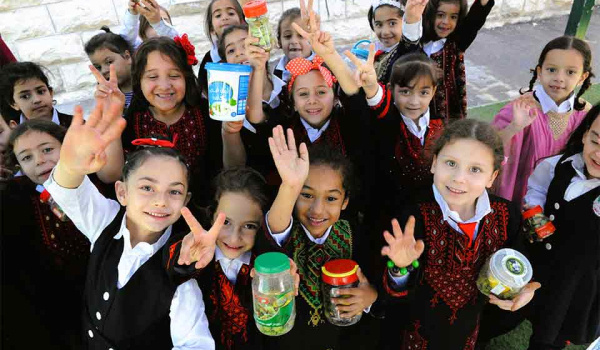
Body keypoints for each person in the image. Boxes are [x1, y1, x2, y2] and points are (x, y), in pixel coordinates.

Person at [43, 67, 222, 349]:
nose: (160, 200)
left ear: (186, 200)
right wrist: (70, 164)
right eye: (147, 187)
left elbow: (195, 343)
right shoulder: (105, 222)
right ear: (122, 192)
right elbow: (69, 191)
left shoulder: (181, 269)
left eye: (174, 191)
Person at [381, 119, 540, 350]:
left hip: (468, 333)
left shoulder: (506, 215)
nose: (459, 178)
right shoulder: (409, 215)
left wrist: (521, 292)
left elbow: (515, 266)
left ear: (492, 178)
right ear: (435, 163)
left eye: (475, 169)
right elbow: (391, 293)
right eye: (451, 163)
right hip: (409, 335)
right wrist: (399, 268)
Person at [479, 104, 600, 350]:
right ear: (586, 134)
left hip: (572, 284)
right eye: (596, 141)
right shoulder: (559, 164)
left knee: (549, 337)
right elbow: (537, 189)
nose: (599, 154)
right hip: (533, 263)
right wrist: (534, 211)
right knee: (498, 315)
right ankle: (476, 339)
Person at [258, 126, 379, 350]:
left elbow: (377, 286)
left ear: (345, 201)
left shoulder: (356, 235)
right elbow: (273, 236)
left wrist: (370, 296)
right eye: (306, 195)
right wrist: (290, 186)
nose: (317, 210)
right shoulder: (285, 231)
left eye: (331, 198)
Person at [1, 119, 117, 350]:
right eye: (27, 157)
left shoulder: (95, 182)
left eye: (47, 149)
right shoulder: (14, 201)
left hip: (107, 296)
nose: (39, 160)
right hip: (57, 308)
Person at [121, 36, 223, 206]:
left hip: (206, 207)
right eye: (153, 77)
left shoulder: (207, 114)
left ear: (186, 77)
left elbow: (223, 167)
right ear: (139, 81)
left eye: (174, 75)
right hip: (154, 213)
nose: (164, 85)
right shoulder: (132, 121)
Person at [492, 36, 594, 205]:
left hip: (562, 204)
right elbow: (488, 150)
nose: (559, 78)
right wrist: (514, 127)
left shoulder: (585, 114)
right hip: (519, 202)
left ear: (583, 77)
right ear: (539, 72)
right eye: (552, 70)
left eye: (570, 72)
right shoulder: (519, 109)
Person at [421, 0, 494, 121]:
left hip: (450, 117)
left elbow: (475, 20)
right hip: (416, 115)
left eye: (453, 17)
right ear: (429, 13)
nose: (446, 22)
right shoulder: (414, 42)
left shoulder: (457, 42)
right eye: (440, 15)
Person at [368, 0, 426, 84]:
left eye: (392, 23)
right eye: (379, 24)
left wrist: (412, 20)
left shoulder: (406, 52)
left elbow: (409, 43)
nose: (385, 32)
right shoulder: (379, 54)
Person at [0, 62, 72, 127]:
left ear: (50, 93)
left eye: (41, 92)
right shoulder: (11, 134)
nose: (37, 100)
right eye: (25, 96)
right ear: (13, 104)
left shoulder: (76, 125)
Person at [198, 0, 246, 93]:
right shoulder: (208, 61)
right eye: (218, 15)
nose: (225, 18)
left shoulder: (252, 47)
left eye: (231, 13)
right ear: (211, 28)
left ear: (242, 21)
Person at [85, 26, 135, 109]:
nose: (104, 71)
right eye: (98, 67)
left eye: (109, 62)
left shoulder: (149, 87)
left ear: (127, 57)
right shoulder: (106, 96)